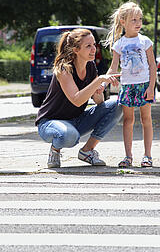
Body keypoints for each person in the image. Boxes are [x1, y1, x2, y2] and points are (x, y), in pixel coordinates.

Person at [35, 28, 122, 168]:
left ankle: (87, 151)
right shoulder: (64, 68)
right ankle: (55, 150)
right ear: (76, 49)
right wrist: (98, 81)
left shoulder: (91, 66)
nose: (93, 49)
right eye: (88, 46)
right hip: (50, 123)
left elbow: (100, 103)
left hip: (76, 121)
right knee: (68, 136)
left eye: (94, 45)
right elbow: (77, 100)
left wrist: (98, 90)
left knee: (117, 104)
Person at [105, 1, 157, 167]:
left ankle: (147, 156)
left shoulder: (145, 41)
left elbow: (152, 65)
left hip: (143, 85)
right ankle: (128, 157)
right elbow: (113, 67)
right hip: (127, 86)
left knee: (146, 119)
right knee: (128, 121)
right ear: (123, 22)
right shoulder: (119, 44)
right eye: (134, 20)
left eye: (140, 19)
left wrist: (151, 87)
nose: (138, 23)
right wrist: (104, 81)